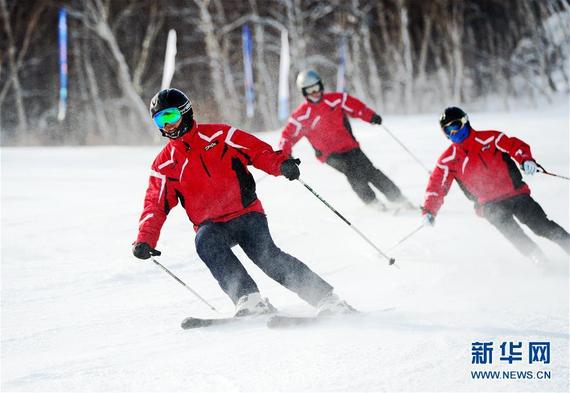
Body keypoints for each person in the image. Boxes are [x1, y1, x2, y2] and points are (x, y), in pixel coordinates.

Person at [132, 88, 355, 317]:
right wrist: (145, 239)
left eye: (170, 117)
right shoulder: (164, 165)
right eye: (160, 120)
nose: (167, 126)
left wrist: (280, 165)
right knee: (204, 242)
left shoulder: (220, 135)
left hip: (246, 213)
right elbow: (155, 205)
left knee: (267, 257)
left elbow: (258, 152)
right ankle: (248, 299)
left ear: (185, 113)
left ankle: (328, 300)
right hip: (211, 225)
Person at [422, 106, 570, 263]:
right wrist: (429, 210)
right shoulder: (448, 159)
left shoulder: (491, 138)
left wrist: (525, 159)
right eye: (447, 130)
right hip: (488, 205)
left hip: (516, 194)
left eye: (456, 126)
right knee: (513, 234)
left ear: (465, 122)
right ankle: (538, 259)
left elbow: (515, 146)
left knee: (541, 226)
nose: (453, 133)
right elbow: (437, 186)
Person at [278, 69, 414, 210]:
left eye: (316, 88)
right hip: (329, 155)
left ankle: (398, 198)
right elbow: (286, 137)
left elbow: (356, 107)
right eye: (309, 91)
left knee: (370, 171)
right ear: (304, 93)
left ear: (321, 86)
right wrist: (285, 155)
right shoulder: (301, 116)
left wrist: (370, 116)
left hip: (350, 146)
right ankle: (373, 202)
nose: (314, 93)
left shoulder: (336, 100)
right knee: (352, 172)